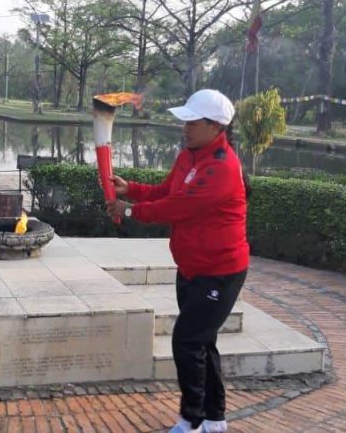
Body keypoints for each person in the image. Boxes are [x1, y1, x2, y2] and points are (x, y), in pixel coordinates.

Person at [106, 89, 249, 433]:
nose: (184, 127)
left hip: (220, 272)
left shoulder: (222, 167)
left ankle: (192, 420)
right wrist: (131, 190)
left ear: (215, 127)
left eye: (192, 122)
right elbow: (167, 191)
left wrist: (130, 211)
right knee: (202, 341)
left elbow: (177, 208)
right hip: (191, 268)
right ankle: (215, 419)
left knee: (187, 341)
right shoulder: (189, 155)